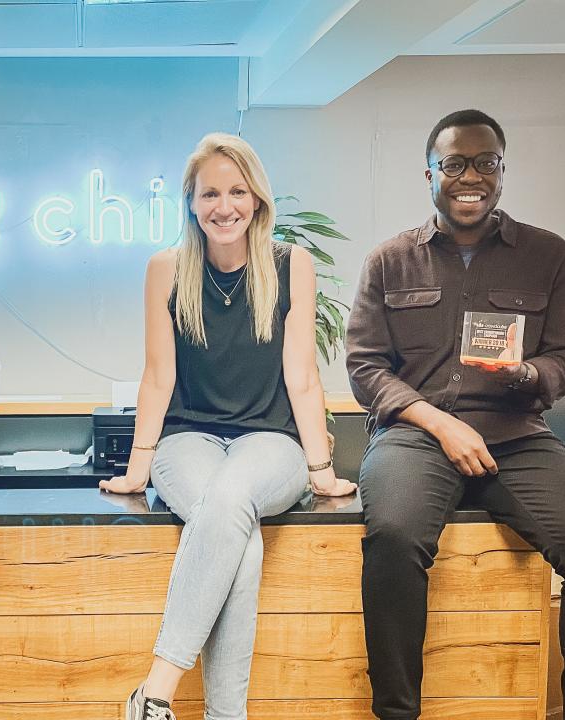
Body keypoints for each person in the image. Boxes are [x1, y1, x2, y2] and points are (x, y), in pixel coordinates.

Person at [346, 108, 565, 720]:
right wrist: (437, 421)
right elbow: (365, 366)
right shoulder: (389, 261)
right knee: (394, 537)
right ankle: (397, 712)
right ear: (429, 172)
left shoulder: (550, 256)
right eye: (454, 163)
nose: (471, 177)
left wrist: (531, 375)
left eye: (486, 163)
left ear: (502, 171)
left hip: (516, 434)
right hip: (416, 436)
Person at [100, 132, 356, 720]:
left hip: (273, 443)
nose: (225, 205)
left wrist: (321, 470)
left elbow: (302, 376)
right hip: (187, 441)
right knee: (236, 530)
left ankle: (155, 691)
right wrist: (138, 469)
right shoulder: (166, 269)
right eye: (210, 192)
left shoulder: (291, 266)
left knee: (233, 496)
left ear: (258, 199)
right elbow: (158, 377)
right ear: (190, 201)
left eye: (238, 190)